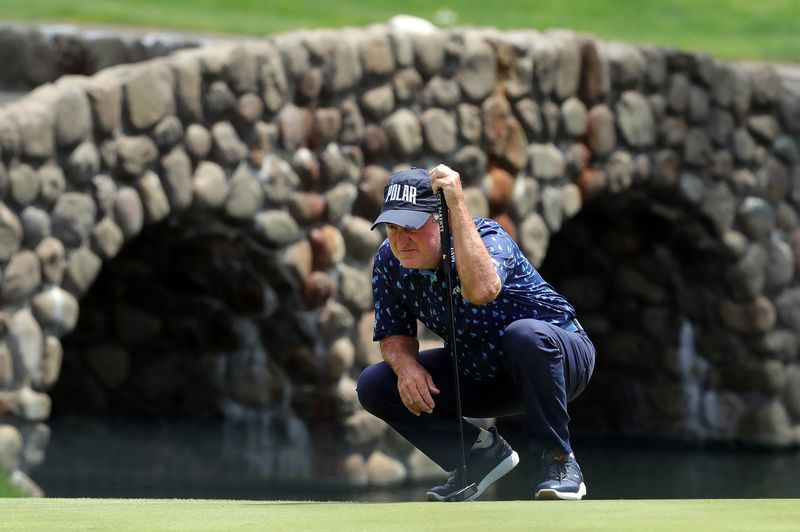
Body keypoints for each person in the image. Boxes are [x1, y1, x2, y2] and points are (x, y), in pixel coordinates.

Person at [356, 164, 596, 501]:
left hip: (558, 359)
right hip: (480, 370)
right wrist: (407, 368)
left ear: (443, 221)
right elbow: (394, 333)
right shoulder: (389, 261)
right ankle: (478, 456)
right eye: (392, 228)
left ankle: (559, 460)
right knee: (375, 384)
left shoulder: (487, 238)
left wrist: (457, 205)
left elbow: (482, 290)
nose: (400, 239)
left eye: (410, 226)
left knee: (523, 336)